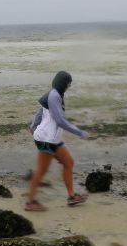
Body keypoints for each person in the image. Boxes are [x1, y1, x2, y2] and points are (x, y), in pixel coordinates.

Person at [26, 71, 91, 211]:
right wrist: (79, 132)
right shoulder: (54, 96)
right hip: (46, 140)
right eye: (69, 83)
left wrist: (33, 126)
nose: (69, 86)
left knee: (68, 162)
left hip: (53, 139)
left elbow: (40, 111)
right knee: (41, 171)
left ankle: (72, 197)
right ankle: (30, 203)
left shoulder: (55, 94)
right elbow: (60, 120)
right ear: (63, 83)